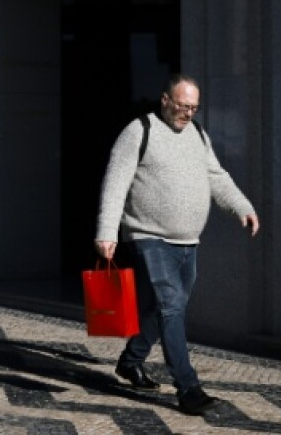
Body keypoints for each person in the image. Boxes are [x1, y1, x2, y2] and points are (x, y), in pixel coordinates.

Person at [95, 74, 261, 416]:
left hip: (187, 241)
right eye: (183, 106)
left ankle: (131, 360)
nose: (188, 113)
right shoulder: (138, 131)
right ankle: (188, 388)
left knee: (167, 308)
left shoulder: (198, 134)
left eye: (194, 107)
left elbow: (216, 176)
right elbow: (115, 184)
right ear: (165, 100)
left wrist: (242, 207)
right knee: (171, 305)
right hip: (148, 235)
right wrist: (107, 232)